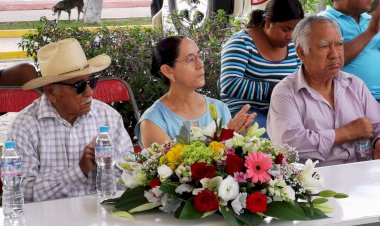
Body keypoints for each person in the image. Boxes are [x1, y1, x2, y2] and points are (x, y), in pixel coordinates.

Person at [7, 38, 133, 202]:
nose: (89, 92)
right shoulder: (25, 126)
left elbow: (131, 176)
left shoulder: (108, 117)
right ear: (51, 91)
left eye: (91, 82)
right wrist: (79, 170)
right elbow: (22, 192)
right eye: (79, 86)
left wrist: (109, 163)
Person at [267, 16, 380, 166]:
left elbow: (377, 125)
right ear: (301, 53)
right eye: (324, 46)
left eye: (339, 44)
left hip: (362, 174)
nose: (335, 54)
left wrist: (377, 141)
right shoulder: (285, 93)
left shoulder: (354, 84)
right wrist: (345, 133)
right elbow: (289, 147)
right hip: (315, 182)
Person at [135, 36, 256, 148]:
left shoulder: (219, 108)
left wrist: (240, 140)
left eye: (199, 56)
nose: (200, 64)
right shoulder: (153, 122)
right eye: (190, 59)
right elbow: (176, 167)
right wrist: (226, 135)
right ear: (168, 70)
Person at [218, 0, 304, 130]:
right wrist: (274, 90)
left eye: (295, 30)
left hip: (282, 108)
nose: (290, 36)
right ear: (268, 22)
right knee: (272, 139)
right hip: (246, 111)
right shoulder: (241, 43)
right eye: (286, 29)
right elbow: (230, 83)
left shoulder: (293, 48)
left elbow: (301, 78)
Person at [318, 1, 380, 100]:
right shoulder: (323, 21)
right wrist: (370, 32)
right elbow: (332, 59)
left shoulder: (370, 19)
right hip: (352, 100)